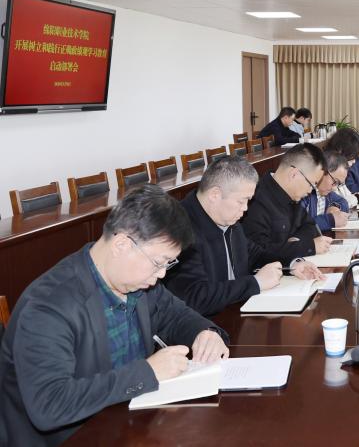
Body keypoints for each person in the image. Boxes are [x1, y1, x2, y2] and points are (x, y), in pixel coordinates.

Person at [0, 185, 230, 446]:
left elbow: (176, 315)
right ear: (122, 244)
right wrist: (147, 372)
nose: (162, 274)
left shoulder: (137, 283)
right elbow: (50, 405)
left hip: (127, 422)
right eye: (159, 262)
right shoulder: (49, 306)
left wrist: (205, 333)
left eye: (169, 264)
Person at [166, 156, 324, 316]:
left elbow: (255, 254)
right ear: (215, 195)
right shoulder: (178, 230)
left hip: (236, 311)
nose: (246, 208)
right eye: (242, 201)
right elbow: (194, 297)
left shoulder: (226, 218)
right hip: (208, 324)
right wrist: (255, 282)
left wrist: (292, 264)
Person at [241, 143, 333, 261]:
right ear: (294, 174)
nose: (310, 191)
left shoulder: (293, 196)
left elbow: (310, 227)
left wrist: (295, 241)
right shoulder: (254, 200)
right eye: (311, 184)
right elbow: (260, 254)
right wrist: (307, 246)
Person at [301, 151, 351, 233]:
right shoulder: (304, 193)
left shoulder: (327, 192)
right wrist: (330, 220)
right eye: (335, 181)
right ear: (323, 171)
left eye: (338, 184)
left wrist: (335, 206)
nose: (335, 188)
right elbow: (301, 226)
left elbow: (343, 202)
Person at [325, 127, 359, 207]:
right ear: (340, 150)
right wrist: (357, 198)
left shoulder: (340, 170)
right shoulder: (329, 168)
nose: (354, 161)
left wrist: (356, 197)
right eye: (352, 156)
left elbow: (345, 196)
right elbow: (333, 204)